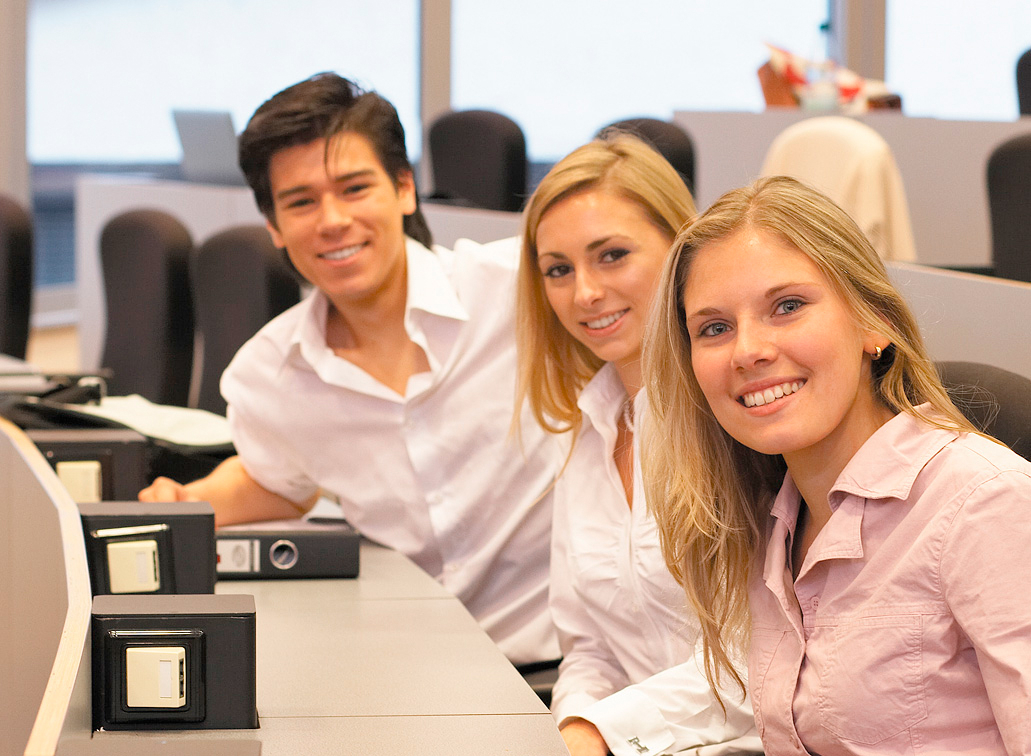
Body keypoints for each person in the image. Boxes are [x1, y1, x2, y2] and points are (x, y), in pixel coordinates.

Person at [139, 72, 559, 667]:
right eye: (301, 202)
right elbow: (274, 477)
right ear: (274, 227)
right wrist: (187, 502)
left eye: (354, 188)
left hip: (568, 664)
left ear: (405, 189)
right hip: (413, 665)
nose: (332, 221)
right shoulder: (271, 373)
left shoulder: (524, 296)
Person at [642, 175, 1031, 753]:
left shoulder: (982, 503)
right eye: (715, 328)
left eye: (788, 306)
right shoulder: (776, 521)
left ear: (874, 321)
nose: (748, 350)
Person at [516, 134, 761, 756]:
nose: (585, 293)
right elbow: (588, 648)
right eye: (559, 270)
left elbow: (761, 657)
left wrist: (599, 732)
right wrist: (573, 727)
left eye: (612, 255)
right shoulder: (588, 427)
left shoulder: (743, 419)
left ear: (682, 249)